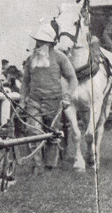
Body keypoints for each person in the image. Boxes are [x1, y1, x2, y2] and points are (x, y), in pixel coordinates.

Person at [19, 23, 81, 170]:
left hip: (54, 102)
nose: (37, 45)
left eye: (41, 42)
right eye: (37, 42)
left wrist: (67, 97)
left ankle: (49, 165)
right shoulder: (31, 60)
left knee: (52, 135)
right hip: (34, 102)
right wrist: (22, 100)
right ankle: (37, 165)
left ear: (50, 44)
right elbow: (25, 82)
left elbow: (73, 79)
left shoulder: (60, 58)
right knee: (33, 131)